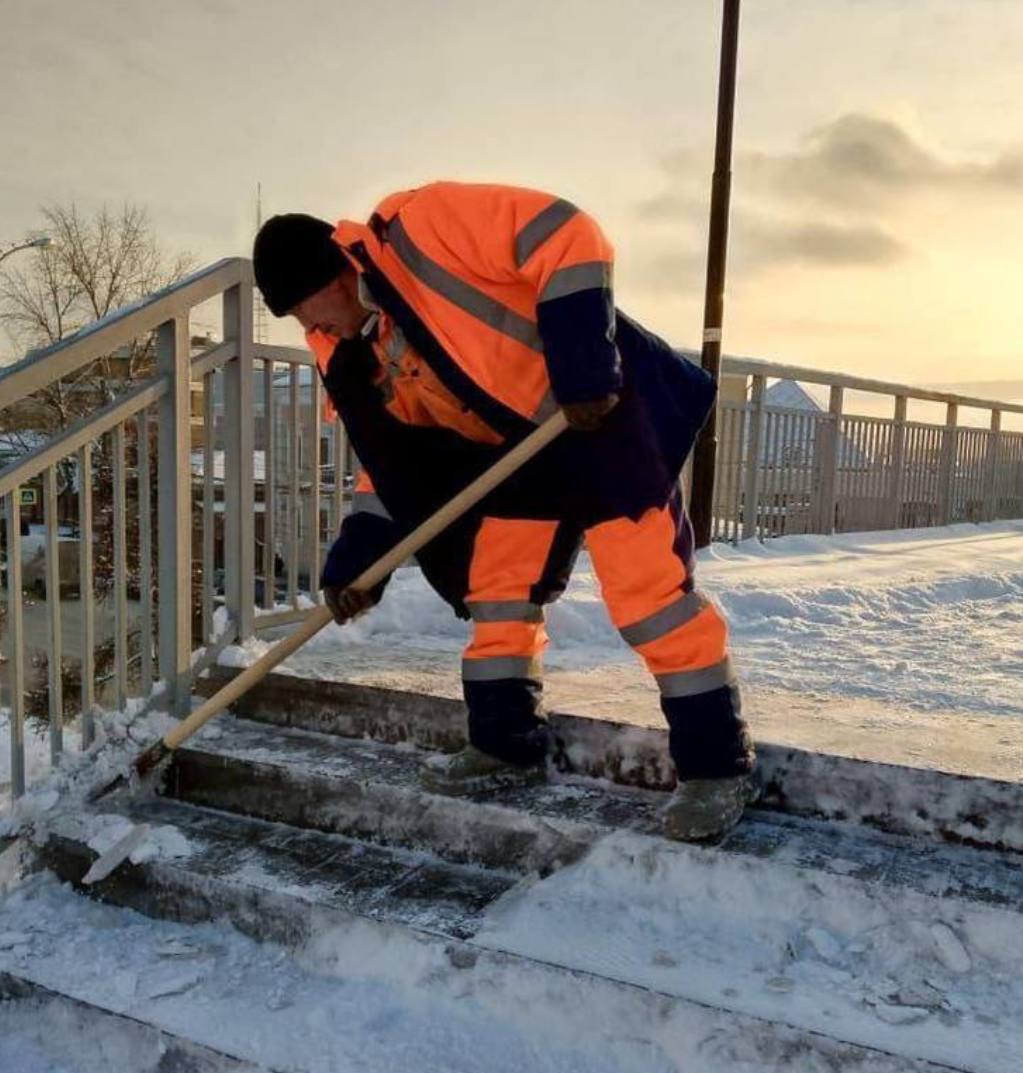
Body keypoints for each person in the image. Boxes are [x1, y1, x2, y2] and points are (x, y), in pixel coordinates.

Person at [252, 181, 756, 841]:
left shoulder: (421, 229)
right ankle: (504, 742)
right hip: (521, 459)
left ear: (334, 273)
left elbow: (566, 234)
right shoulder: (357, 357)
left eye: (305, 309)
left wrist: (582, 364)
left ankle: (717, 764)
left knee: (648, 597)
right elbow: (391, 463)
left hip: (601, 416)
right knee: (498, 593)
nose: (310, 328)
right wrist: (358, 562)